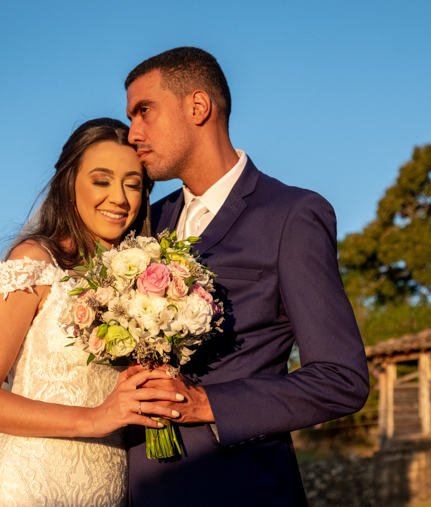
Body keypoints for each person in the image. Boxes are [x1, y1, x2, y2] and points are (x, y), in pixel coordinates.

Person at [123, 47, 370, 506]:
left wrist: (207, 404)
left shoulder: (291, 215)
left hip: (241, 487)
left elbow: (341, 378)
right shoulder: (144, 222)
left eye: (144, 111)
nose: (133, 133)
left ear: (198, 106)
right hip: (139, 487)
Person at [0, 118, 182, 507]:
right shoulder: (34, 262)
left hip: (106, 493)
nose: (119, 197)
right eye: (101, 181)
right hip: (26, 491)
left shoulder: (142, 280)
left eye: (132, 184)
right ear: (70, 185)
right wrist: (95, 418)